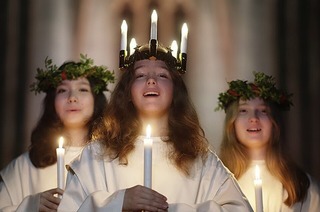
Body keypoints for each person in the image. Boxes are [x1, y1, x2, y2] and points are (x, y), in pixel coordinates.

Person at [58, 44, 253, 212]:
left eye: (162, 75)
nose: (151, 80)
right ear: (127, 93)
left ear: (175, 93)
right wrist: (118, 203)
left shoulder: (201, 161)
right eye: (140, 75)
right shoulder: (96, 157)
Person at [0, 54, 114, 211]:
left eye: (82, 89)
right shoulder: (26, 166)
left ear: (96, 101)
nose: (72, 97)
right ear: (52, 102)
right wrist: (31, 205)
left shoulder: (111, 157)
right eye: (62, 90)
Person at [217, 72, 320, 211]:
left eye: (263, 111)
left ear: (275, 122)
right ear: (232, 122)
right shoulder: (219, 182)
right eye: (243, 110)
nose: (253, 118)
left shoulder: (300, 186)